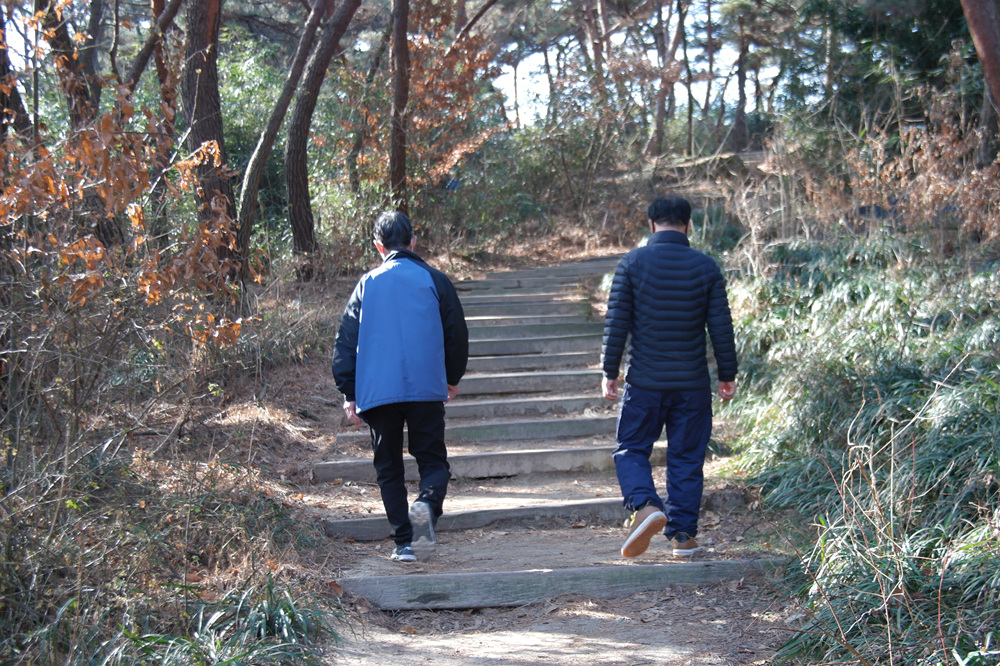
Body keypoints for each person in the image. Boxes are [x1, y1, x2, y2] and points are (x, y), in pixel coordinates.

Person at [601, 195, 738, 559]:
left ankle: (645, 506)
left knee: (631, 448)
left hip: (645, 382)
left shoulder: (632, 263)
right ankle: (683, 537)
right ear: (687, 225)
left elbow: (617, 324)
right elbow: (721, 328)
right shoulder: (706, 267)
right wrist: (727, 374)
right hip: (692, 384)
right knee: (687, 457)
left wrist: (610, 371)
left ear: (651, 224)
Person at [332, 211, 469, 563]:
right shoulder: (435, 280)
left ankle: (405, 544)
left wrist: (349, 391)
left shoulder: (367, 284)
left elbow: (346, 340)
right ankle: (426, 505)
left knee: (389, 467)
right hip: (425, 387)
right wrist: (452, 377)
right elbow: (456, 333)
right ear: (413, 241)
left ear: (378, 246)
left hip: (378, 391)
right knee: (433, 460)